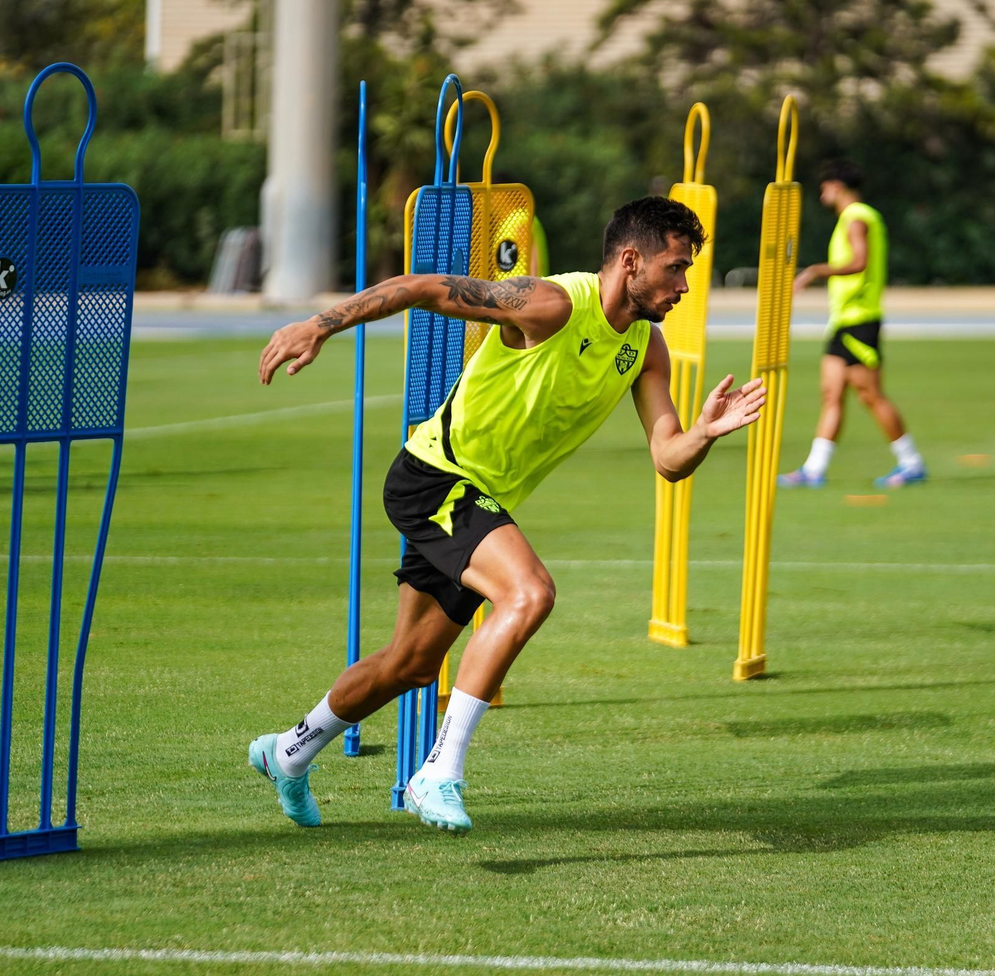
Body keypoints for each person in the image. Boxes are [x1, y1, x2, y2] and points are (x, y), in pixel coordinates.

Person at [249, 197, 765, 833]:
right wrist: (319, 325)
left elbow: (668, 458)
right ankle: (439, 770)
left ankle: (288, 751)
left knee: (409, 663)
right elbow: (424, 286)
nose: (685, 285)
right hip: (436, 476)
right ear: (630, 261)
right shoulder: (550, 306)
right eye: (676, 268)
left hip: (478, 497)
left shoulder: (645, 346)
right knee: (529, 593)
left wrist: (707, 432)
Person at [779, 158, 925, 490]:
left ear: (837, 186)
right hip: (843, 321)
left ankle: (911, 462)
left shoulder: (856, 217)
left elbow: (859, 262)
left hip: (860, 321)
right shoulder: (854, 217)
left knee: (870, 396)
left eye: (824, 189)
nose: (821, 197)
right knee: (832, 394)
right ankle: (814, 469)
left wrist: (816, 271)